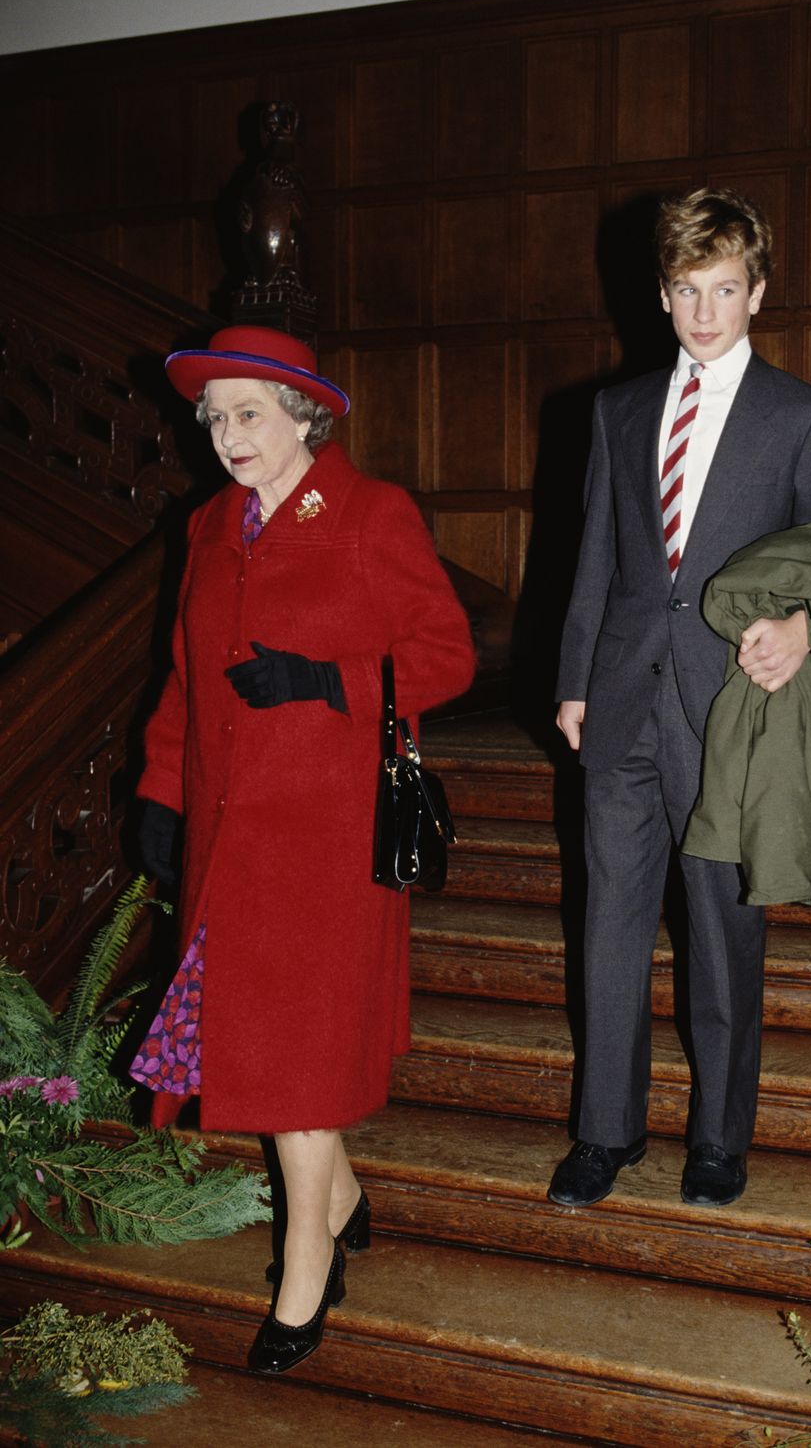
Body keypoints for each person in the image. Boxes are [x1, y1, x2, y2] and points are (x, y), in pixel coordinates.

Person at [130, 325, 475, 1374]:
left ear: (302, 418)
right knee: (272, 1053)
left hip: (324, 844)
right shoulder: (205, 530)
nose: (227, 436)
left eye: (248, 414)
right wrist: (158, 790)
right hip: (227, 836)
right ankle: (347, 1198)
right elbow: (184, 681)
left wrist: (333, 681)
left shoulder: (372, 515)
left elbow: (450, 656)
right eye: (213, 417)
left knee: (291, 1071)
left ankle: (303, 1278)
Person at [549, 188, 811, 1211]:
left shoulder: (799, 414)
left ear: (757, 292)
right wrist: (572, 682)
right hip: (621, 703)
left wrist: (805, 627)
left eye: (724, 290)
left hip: (733, 707)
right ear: (662, 294)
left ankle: (718, 1141)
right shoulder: (619, 408)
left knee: (722, 935)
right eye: (686, 291)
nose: (704, 313)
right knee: (609, 925)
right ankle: (604, 1131)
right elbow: (595, 554)